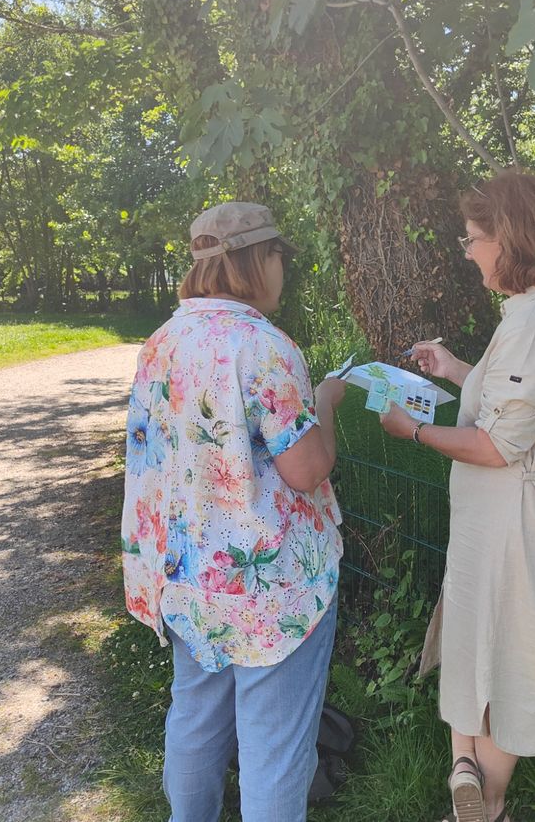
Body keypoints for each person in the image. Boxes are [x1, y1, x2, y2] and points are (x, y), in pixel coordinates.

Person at [378, 171, 535, 822]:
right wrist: (455, 370)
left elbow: (500, 445)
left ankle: (484, 799)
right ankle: (469, 777)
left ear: (510, 239)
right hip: (511, 517)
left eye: (473, 238)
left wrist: (413, 429)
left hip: (517, 524)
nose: (468, 251)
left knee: (507, 658)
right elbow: (518, 404)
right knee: (486, 642)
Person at [121, 202, 347, 822]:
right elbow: (307, 469)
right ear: (258, 259)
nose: (284, 270)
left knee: (195, 718)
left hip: (186, 577)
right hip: (268, 585)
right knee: (274, 747)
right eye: (280, 257)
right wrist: (326, 400)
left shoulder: (162, 342)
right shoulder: (264, 346)